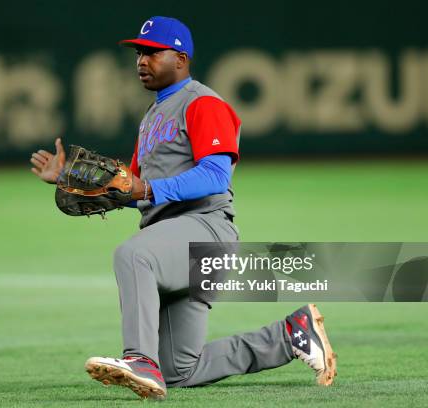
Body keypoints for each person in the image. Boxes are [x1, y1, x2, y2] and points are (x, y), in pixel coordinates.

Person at [30, 16, 336, 401]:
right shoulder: (151, 119)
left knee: (133, 255)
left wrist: (148, 188)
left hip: (204, 231)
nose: (142, 60)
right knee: (178, 370)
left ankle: (139, 358)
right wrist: (69, 180)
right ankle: (290, 334)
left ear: (181, 58)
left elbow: (214, 176)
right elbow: (135, 192)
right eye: (140, 53)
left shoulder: (202, 103)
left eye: (153, 53)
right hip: (170, 241)